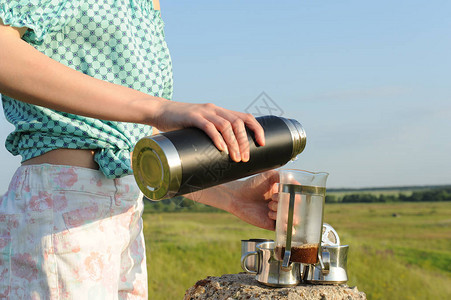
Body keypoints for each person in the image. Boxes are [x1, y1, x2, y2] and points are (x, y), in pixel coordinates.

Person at [0, 0, 279, 298]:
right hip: (62, 212)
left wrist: (233, 196)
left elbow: (133, 140)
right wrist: (158, 108)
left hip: (127, 214)